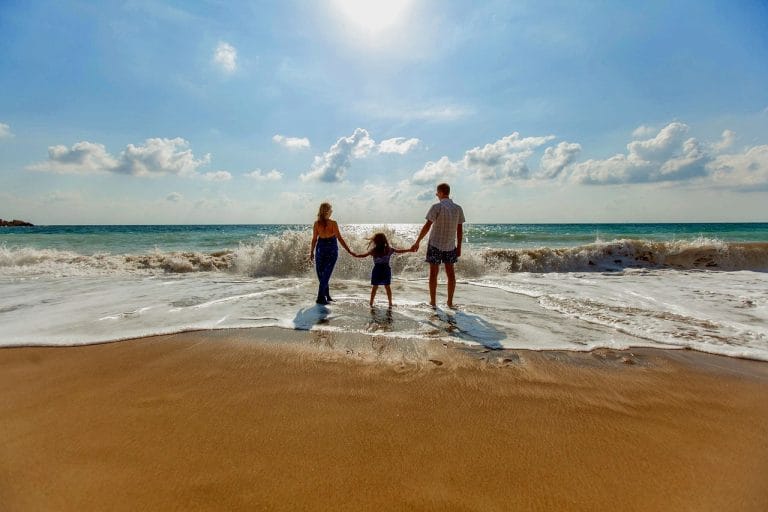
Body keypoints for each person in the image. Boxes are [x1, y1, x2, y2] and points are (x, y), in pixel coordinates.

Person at [411, 183, 465, 308]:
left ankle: (433, 302)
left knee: (433, 274)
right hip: (450, 245)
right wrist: (459, 247)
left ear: (440, 193)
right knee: (451, 274)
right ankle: (450, 302)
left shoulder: (436, 207)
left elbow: (427, 226)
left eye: (437, 193)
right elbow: (460, 231)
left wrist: (417, 241)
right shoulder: (458, 208)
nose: (437, 195)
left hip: (435, 244)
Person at [309, 203, 354, 305]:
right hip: (324, 248)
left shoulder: (326, 223)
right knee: (323, 274)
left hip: (325, 249)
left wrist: (348, 250)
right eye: (330, 209)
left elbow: (315, 239)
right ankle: (324, 296)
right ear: (326, 211)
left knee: (325, 273)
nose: (332, 211)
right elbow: (315, 239)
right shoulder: (321, 223)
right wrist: (311, 252)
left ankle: (322, 296)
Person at [353, 232, 413, 307]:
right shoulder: (389, 249)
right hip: (386, 270)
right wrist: (410, 250)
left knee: (375, 287)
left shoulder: (374, 250)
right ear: (385, 240)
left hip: (377, 270)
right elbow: (400, 251)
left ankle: (371, 303)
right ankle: (390, 303)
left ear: (375, 241)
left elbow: (363, 255)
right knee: (387, 287)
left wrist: (355, 255)